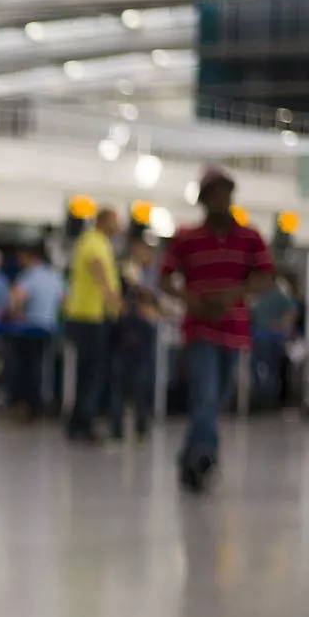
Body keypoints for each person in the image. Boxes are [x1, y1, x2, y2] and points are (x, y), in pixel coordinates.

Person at [161, 166, 274, 491]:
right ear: (203, 200)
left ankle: (189, 455)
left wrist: (235, 294)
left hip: (234, 328)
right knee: (205, 394)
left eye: (224, 194)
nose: (219, 201)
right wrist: (190, 300)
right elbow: (166, 278)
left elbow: (266, 277)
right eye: (212, 195)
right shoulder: (187, 238)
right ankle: (205, 459)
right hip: (199, 328)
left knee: (215, 398)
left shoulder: (250, 237)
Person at [62, 206, 121, 442]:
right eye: (116, 220)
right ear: (104, 221)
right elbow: (97, 268)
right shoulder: (95, 241)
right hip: (89, 315)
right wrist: (113, 299)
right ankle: (83, 423)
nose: (119, 226)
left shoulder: (95, 241)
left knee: (87, 372)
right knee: (92, 373)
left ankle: (78, 420)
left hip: (87, 314)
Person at [110, 235, 162, 438]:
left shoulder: (152, 274)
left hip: (141, 334)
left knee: (141, 382)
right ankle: (117, 428)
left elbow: (154, 301)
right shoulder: (125, 270)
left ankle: (141, 425)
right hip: (125, 332)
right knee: (120, 382)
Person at [6, 242, 62, 417]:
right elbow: (64, 300)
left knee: (26, 368)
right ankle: (43, 403)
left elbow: (14, 300)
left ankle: (26, 404)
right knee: (44, 367)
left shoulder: (28, 276)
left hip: (28, 329)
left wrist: (16, 315)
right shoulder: (54, 275)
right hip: (49, 329)